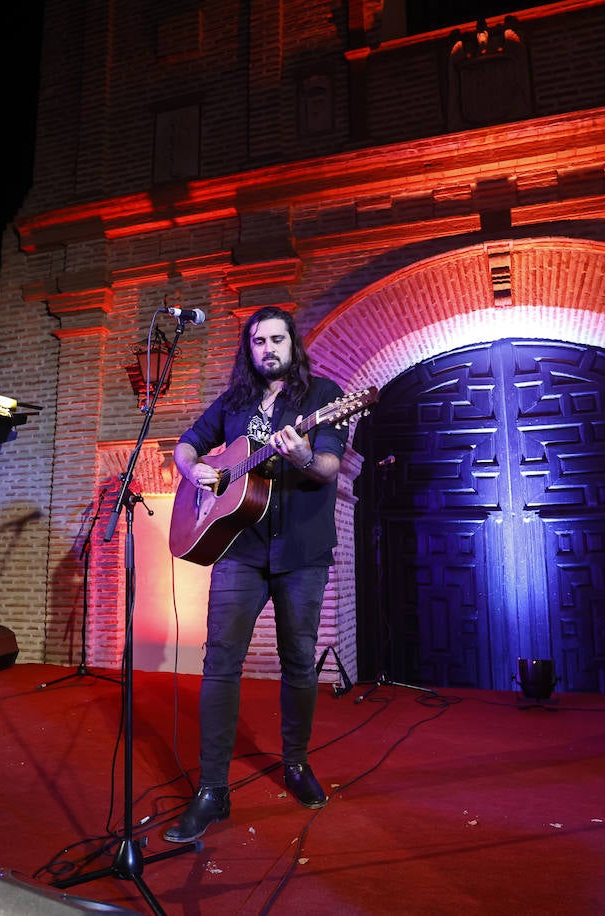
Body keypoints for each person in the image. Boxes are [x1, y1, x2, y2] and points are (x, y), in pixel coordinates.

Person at [163, 306, 349, 844]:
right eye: (258, 341)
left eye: (277, 339)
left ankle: (295, 763)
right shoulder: (234, 402)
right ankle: (212, 790)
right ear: (249, 349)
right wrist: (196, 470)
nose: (268, 348)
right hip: (238, 550)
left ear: (293, 344)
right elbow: (186, 445)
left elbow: (329, 468)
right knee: (220, 663)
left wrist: (304, 455)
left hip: (303, 552)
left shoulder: (324, 396)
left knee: (299, 663)